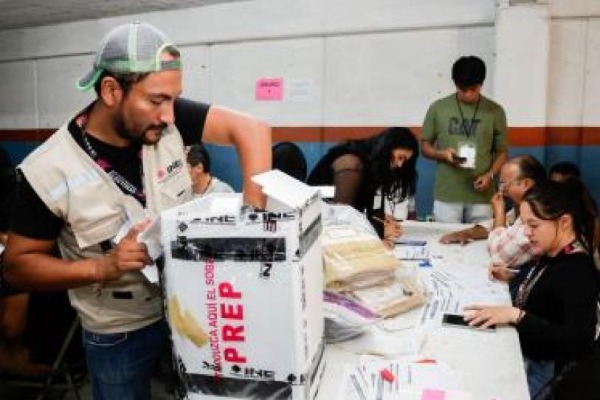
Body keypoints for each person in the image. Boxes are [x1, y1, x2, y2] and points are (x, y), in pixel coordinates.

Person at [4, 22, 270, 400]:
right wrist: (102, 268)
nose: (170, 116)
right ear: (111, 90)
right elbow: (17, 266)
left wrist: (254, 227)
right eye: (156, 100)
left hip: (188, 306)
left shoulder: (167, 120)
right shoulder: (47, 171)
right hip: (118, 331)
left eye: (174, 99)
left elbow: (253, 130)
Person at [464, 180, 599, 398]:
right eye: (524, 224)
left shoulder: (577, 271)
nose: (526, 232)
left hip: (543, 370)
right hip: (525, 353)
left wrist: (517, 316)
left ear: (564, 222)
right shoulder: (551, 252)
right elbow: (547, 288)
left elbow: (579, 342)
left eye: (534, 225)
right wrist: (512, 277)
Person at [421, 55, 508, 223]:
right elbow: (424, 146)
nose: (468, 94)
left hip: (482, 194)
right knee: (445, 237)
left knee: (481, 237)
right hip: (448, 194)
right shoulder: (438, 108)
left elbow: (502, 152)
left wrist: (490, 176)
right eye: (462, 89)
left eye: (473, 89)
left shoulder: (495, 111)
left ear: (481, 84)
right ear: (455, 84)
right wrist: (441, 154)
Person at [307, 127, 418, 245]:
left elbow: (361, 209)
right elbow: (341, 219)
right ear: (386, 149)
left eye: (405, 161)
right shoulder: (351, 164)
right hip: (315, 232)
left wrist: (380, 221)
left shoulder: (372, 162)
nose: (400, 165)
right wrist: (376, 234)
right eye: (400, 157)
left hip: (327, 227)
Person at [440, 155, 546, 268]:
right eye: (500, 185)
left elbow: (499, 256)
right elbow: (499, 223)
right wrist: (468, 233)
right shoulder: (520, 209)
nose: (502, 191)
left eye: (505, 185)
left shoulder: (538, 214)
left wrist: (499, 212)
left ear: (526, 184)